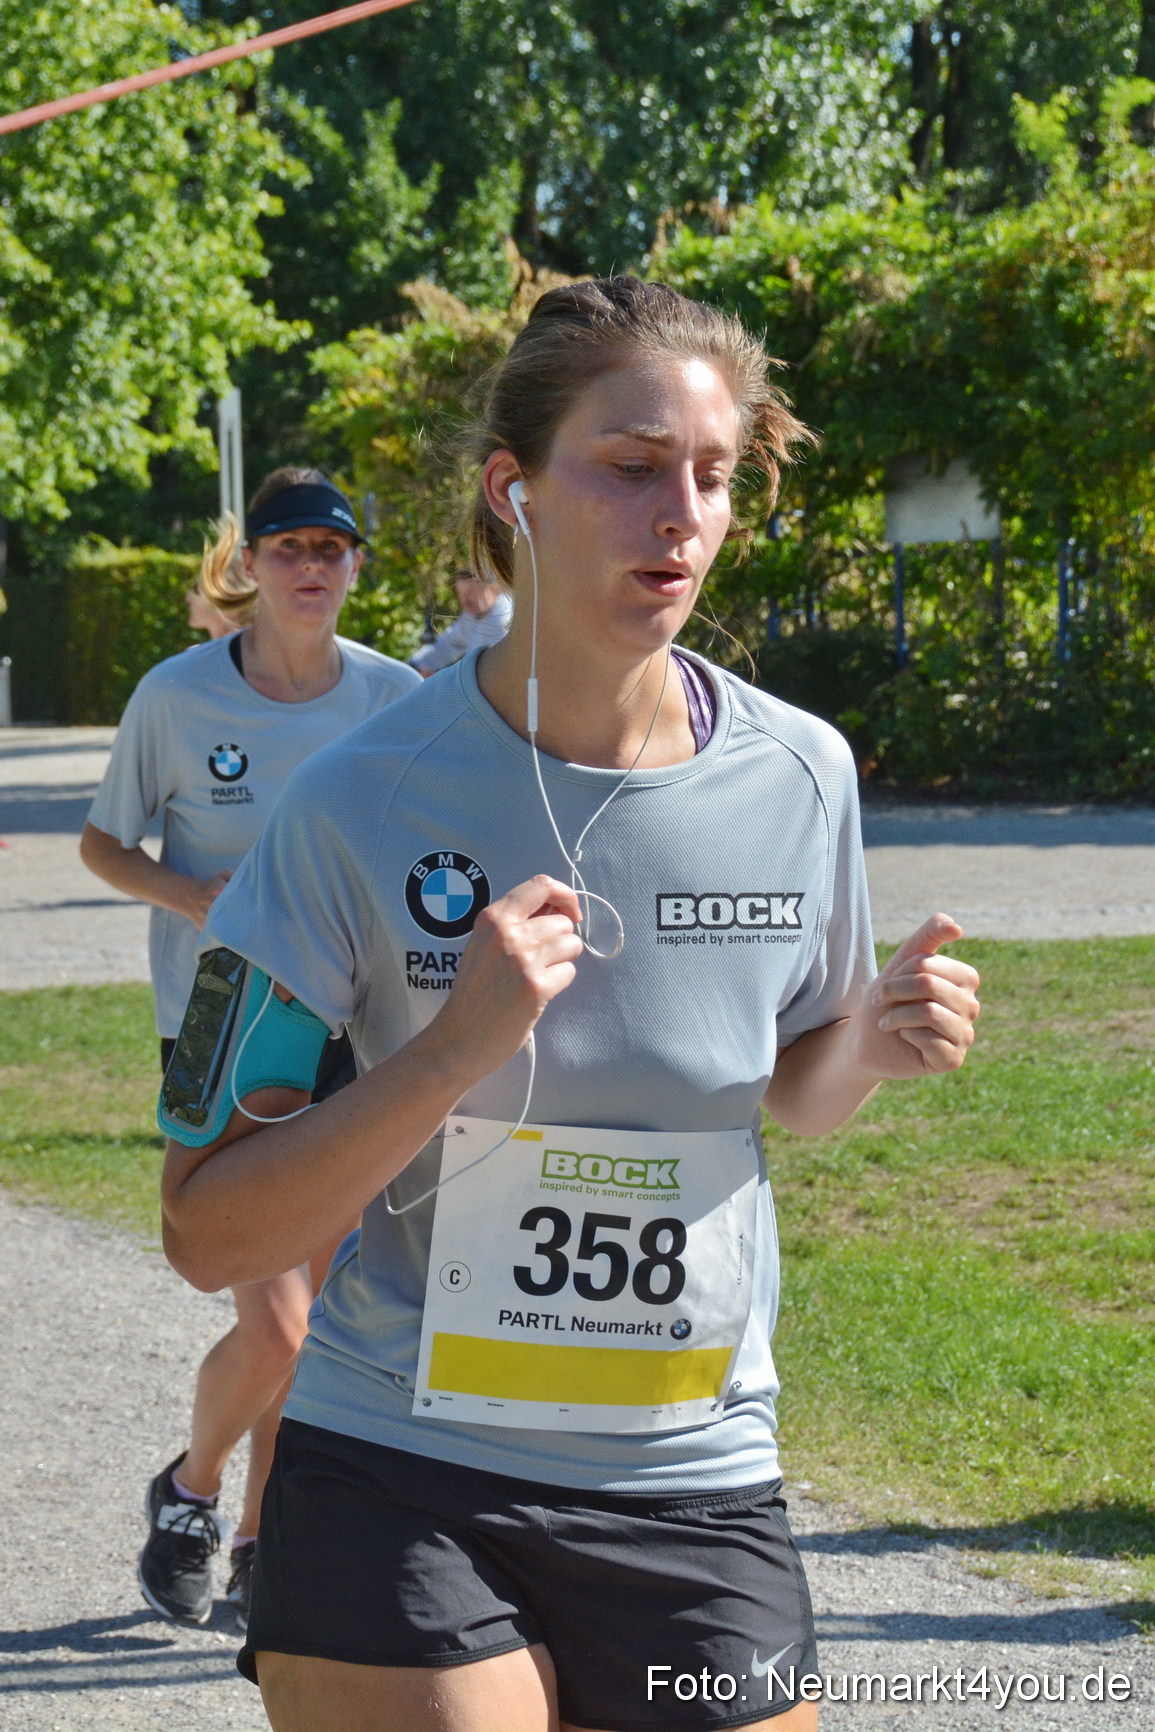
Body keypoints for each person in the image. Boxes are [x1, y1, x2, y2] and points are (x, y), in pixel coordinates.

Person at [160, 278, 980, 1732]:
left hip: (692, 1474)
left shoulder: (800, 776)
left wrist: (862, 1042)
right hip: (401, 1465)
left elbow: (787, 1091)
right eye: (631, 466)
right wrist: (450, 1054)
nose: (681, 515)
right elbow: (207, 1228)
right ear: (514, 491)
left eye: (711, 476)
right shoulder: (355, 799)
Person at [80, 466, 420, 1633]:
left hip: (350, 1031)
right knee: (275, 1325)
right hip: (220, 1032)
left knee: (313, 1325)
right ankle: (190, 1490)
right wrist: (191, 896)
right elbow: (102, 846)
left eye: (332, 547)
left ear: (356, 566)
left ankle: (262, 1546)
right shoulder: (175, 697)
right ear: (250, 566)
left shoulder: (395, 696)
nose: (312, 567)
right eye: (289, 548)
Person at [409, 567, 512, 675]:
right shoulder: (470, 616)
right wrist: (414, 666)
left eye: (470, 592)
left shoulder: (503, 618)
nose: (464, 600)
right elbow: (447, 644)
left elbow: (489, 670)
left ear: (493, 590)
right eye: (460, 593)